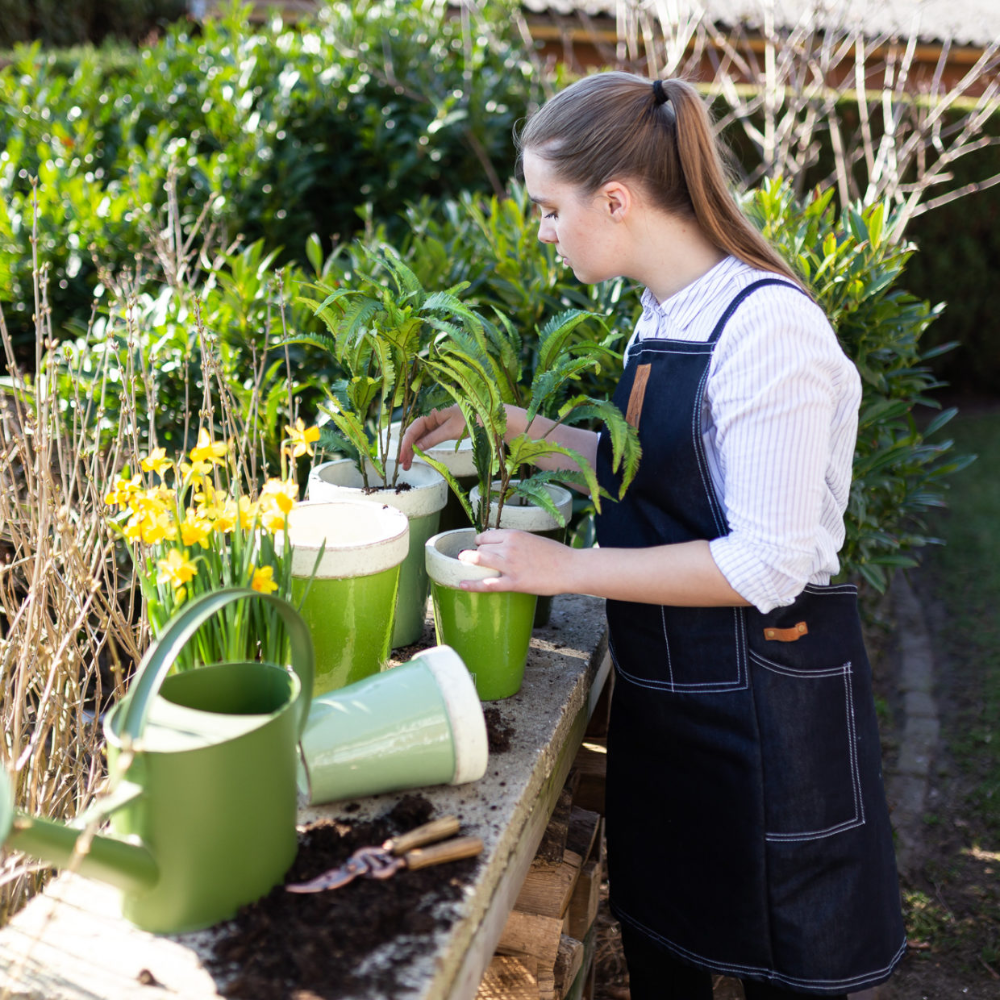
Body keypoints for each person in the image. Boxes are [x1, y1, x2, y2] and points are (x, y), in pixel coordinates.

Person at [400, 72, 905, 999]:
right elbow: (656, 470)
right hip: (674, 703)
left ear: (617, 199)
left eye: (550, 209)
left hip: (767, 708)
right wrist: (516, 427)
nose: (544, 232)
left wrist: (566, 565)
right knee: (667, 946)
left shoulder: (769, 332)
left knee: (789, 969)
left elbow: (765, 560)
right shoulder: (665, 313)